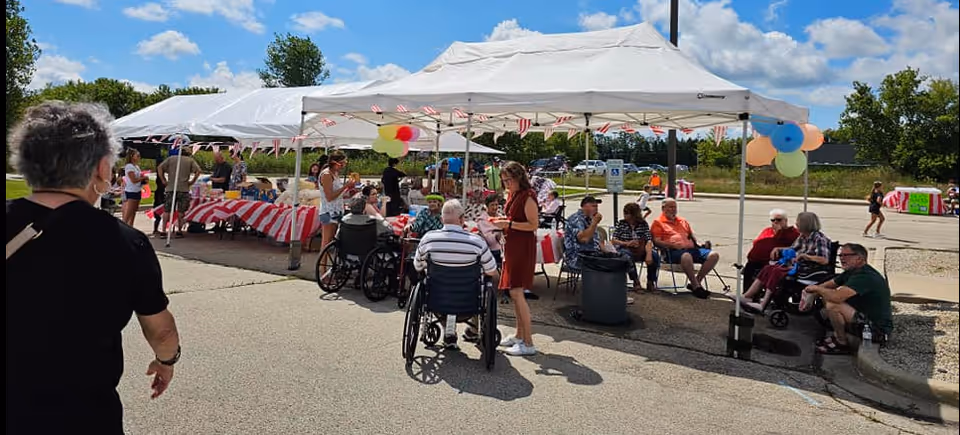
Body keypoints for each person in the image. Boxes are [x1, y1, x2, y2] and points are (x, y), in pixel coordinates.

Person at [6, 101, 182, 433]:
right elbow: (162, 331)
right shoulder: (127, 243)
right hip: (83, 414)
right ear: (102, 169)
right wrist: (166, 361)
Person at [414, 199, 499, 350]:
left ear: (441, 219)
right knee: (485, 283)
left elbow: (418, 266)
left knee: (432, 283)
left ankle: (449, 330)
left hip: (437, 298)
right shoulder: (477, 242)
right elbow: (491, 271)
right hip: (469, 300)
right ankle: (474, 328)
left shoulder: (428, 239)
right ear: (462, 219)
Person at [804, 243, 893, 354]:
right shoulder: (851, 272)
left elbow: (836, 297)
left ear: (859, 258)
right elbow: (827, 285)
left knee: (833, 304)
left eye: (846, 255)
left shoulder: (865, 276)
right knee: (827, 297)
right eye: (840, 255)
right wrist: (811, 295)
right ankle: (840, 335)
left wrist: (817, 290)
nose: (841, 258)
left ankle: (842, 342)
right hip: (862, 318)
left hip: (876, 330)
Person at [490, 161, 539, 356]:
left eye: (508, 180)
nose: (506, 184)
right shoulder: (514, 194)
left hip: (522, 247)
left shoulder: (528, 196)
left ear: (519, 177)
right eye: (503, 181)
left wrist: (508, 224)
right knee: (514, 293)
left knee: (518, 293)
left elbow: (533, 224)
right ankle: (520, 336)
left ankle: (528, 342)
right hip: (513, 245)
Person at [740, 212, 832, 312]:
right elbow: (792, 248)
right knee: (768, 268)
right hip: (796, 265)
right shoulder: (803, 236)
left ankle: (763, 303)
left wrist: (806, 256)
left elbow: (824, 259)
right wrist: (778, 249)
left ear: (806, 224)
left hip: (809, 270)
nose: (796, 224)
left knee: (776, 271)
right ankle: (747, 296)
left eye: (798, 222)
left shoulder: (819, 239)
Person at [650, 198, 720, 299]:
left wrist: (699, 243)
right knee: (686, 256)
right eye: (670, 207)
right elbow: (656, 241)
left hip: (692, 249)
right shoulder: (658, 222)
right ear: (663, 208)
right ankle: (696, 287)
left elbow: (691, 236)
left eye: (675, 207)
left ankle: (697, 281)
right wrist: (671, 245)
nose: (673, 209)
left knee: (714, 255)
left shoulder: (682, 221)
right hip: (673, 252)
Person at [741, 209, 800, 289]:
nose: (775, 222)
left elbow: (796, 247)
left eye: (779, 220)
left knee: (764, 270)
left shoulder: (793, 233)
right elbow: (757, 242)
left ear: (786, 220)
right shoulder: (767, 230)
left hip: (773, 262)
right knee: (749, 269)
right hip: (755, 261)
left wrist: (779, 232)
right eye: (773, 220)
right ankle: (746, 294)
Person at [612, 202, 661, 293]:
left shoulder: (643, 224)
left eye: (627, 213)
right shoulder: (621, 223)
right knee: (627, 256)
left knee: (654, 256)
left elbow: (648, 240)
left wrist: (649, 254)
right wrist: (627, 243)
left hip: (641, 248)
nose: (625, 215)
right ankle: (636, 281)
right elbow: (614, 240)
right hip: (625, 248)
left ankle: (650, 282)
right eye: (625, 213)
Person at [317, 151, 350, 285]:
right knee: (326, 243)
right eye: (341, 164)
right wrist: (345, 186)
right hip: (327, 212)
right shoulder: (326, 175)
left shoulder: (334, 174)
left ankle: (329, 271)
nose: (342, 167)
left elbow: (337, 194)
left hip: (336, 211)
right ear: (334, 163)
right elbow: (330, 196)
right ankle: (322, 272)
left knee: (333, 243)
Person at [156, 147, 201, 238]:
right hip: (183, 188)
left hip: (170, 187)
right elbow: (198, 171)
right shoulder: (190, 160)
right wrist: (192, 181)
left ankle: (164, 230)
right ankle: (179, 230)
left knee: (167, 210)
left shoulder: (171, 159)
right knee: (181, 211)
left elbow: (160, 167)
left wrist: (163, 179)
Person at [563, 196, 603, 270]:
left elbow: (595, 239)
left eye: (596, 206)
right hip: (577, 258)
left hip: (591, 254)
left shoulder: (590, 219)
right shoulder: (576, 219)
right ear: (584, 206)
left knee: (618, 261)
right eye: (593, 206)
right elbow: (583, 239)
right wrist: (594, 223)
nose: (596, 208)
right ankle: (596, 281)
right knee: (607, 266)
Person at [121, 148, 148, 226]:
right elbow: (133, 180)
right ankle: (123, 228)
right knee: (128, 213)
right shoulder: (129, 166)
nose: (139, 157)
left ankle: (130, 227)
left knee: (133, 211)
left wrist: (143, 179)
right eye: (137, 155)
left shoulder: (136, 166)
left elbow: (138, 178)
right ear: (132, 156)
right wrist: (143, 178)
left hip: (137, 190)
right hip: (131, 191)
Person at [476, 194, 504, 268]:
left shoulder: (501, 217)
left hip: (503, 248)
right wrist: (498, 235)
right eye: (492, 205)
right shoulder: (482, 220)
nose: (495, 207)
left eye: (496, 205)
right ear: (486, 206)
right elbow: (489, 239)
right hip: (490, 250)